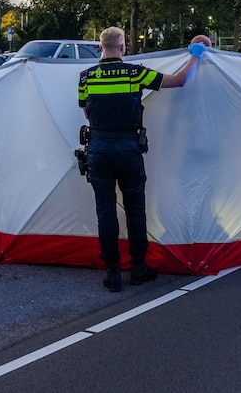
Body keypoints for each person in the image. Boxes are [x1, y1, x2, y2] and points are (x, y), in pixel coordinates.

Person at [78, 28, 206, 292]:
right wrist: (196, 54)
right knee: (135, 209)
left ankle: (112, 273)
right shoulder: (135, 73)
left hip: (98, 149)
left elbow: (85, 109)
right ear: (123, 48)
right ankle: (138, 268)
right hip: (127, 148)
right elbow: (180, 80)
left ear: (101, 48)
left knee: (105, 212)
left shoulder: (86, 77)